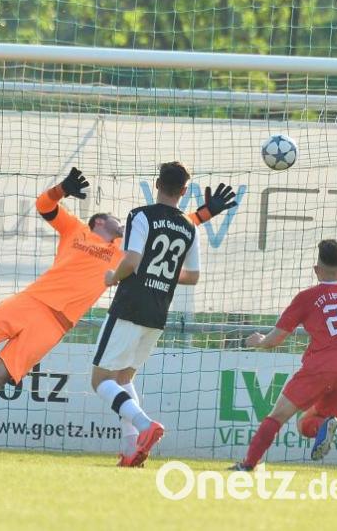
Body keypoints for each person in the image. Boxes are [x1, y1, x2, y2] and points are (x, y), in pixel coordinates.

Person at [0, 167, 235, 448]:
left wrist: (206, 212)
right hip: (30, 301)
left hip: (56, 323)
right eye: (114, 217)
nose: (119, 222)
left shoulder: (122, 253)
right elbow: (44, 206)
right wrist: (62, 189)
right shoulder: (76, 231)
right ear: (100, 221)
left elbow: (171, 225)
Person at [94, 162, 235, 467]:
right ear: (185, 191)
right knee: (123, 377)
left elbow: (131, 260)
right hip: (158, 312)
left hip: (130, 304)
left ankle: (146, 426)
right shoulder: (188, 227)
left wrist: (113, 277)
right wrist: (166, 275)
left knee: (100, 380)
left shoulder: (141, 215)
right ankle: (131, 450)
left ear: (157, 183)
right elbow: (193, 276)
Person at [231, 239, 337, 471]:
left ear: (316, 269)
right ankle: (324, 427)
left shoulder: (307, 297)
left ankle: (247, 465)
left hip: (322, 366)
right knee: (306, 423)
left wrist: (259, 341)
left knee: (277, 416)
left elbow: (275, 339)